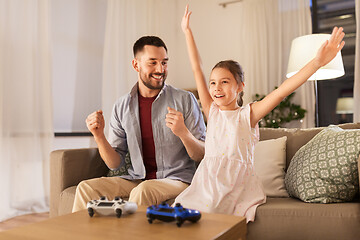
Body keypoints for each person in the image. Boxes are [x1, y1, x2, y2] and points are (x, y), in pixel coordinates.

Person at [174, 5, 345, 223]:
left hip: (235, 184)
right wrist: (187, 32)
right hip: (206, 182)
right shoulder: (212, 111)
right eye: (213, 83)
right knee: (182, 213)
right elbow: (197, 68)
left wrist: (318, 62)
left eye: (224, 82)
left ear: (240, 86)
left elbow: (284, 89)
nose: (217, 88)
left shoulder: (249, 114)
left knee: (211, 217)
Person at [72, 35, 206, 212]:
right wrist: (99, 136)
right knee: (85, 189)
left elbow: (202, 154)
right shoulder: (122, 106)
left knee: (143, 191)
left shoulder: (185, 100)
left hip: (177, 179)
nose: (160, 69)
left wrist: (183, 133)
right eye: (153, 62)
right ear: (136, 65)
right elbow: (115, 164)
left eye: (164, 63)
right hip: (136, 178)